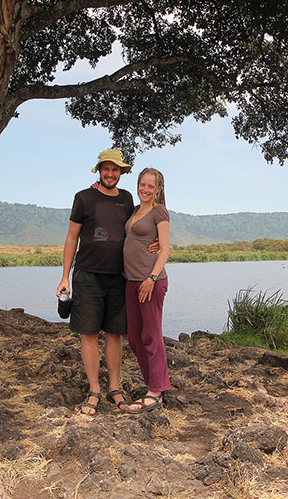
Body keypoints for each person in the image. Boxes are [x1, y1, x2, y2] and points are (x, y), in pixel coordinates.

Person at [57, 149, 135, 415]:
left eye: (115, 170)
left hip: (119, 277)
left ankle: (115, 388)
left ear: (121, 173)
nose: (110, 174)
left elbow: (137, 228)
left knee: (114, 334)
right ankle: (94, 390)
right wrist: (65, 276)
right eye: (106, 169)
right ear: (99, 171)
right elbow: (71, 238)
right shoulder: (83, 198)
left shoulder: (126, 199)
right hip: (88, 275)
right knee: (88, 334)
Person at [123, 167, 171, 413]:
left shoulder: (159, 211)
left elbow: (165, 249)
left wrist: (152, 277)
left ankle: (156, 390)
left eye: (151, 186)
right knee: (134, 338)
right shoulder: (133, 211)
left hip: (150, 282)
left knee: (151, 335)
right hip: (131, 281)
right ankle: (152, 383)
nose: (145, 189)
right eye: (143, 184)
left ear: (158, 190)